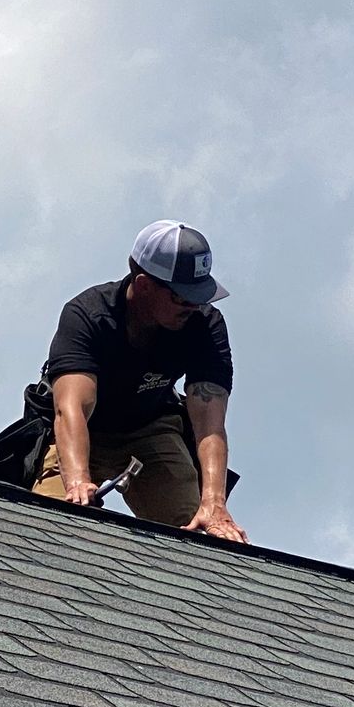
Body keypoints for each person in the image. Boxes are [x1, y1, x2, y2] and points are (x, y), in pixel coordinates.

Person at [32, 222, 249, 544]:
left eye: (199, 296)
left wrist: (214, 505)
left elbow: (210, 426)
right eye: (182, 297)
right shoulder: (88, 315)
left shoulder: (205, 324)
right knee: (52, 521)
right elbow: (72, 410)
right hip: (85, 430)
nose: (193, 306)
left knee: (197, 537)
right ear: (145, 285)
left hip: (152, 429)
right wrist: (77, 481)